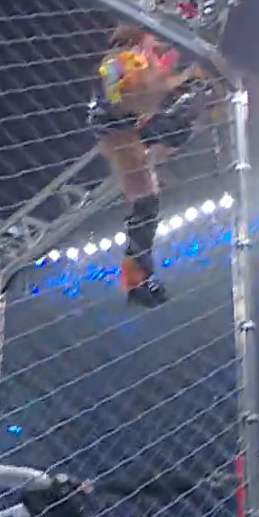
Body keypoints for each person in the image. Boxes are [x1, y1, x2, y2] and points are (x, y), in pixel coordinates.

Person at [89, 22, 207, 308]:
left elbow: (145, 85)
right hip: (119, 125)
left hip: (124, 124)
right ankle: (138, 279)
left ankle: (138, 279)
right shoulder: (121, 59)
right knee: (146, 200)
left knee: (146, 202)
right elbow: (120, 91)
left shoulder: (134, 58)